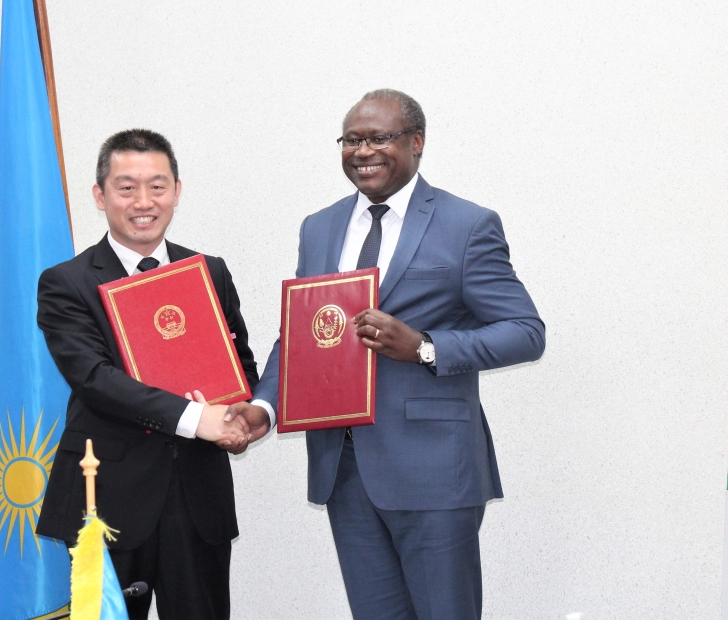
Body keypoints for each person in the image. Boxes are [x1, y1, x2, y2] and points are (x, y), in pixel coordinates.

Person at [231, 89, 546, 619]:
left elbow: (525, 331)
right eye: (351, 140)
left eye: (379, 138)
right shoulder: (319, 227)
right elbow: (304, 335)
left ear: (416, 142)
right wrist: (266, 405)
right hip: (343, 469)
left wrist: (424, 347)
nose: (363, 151)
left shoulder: (467, 225)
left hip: (435, 470)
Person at [34, 129, 262, 620]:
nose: (143, 201)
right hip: (107, 499)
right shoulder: (67, 282)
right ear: (100, 196)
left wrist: (243, 417)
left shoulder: (209, 271)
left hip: (198, 500)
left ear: (176, 191)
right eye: (126, 187)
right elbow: (94, 379)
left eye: (157, 186)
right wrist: (198, 418)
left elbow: (240, 366)